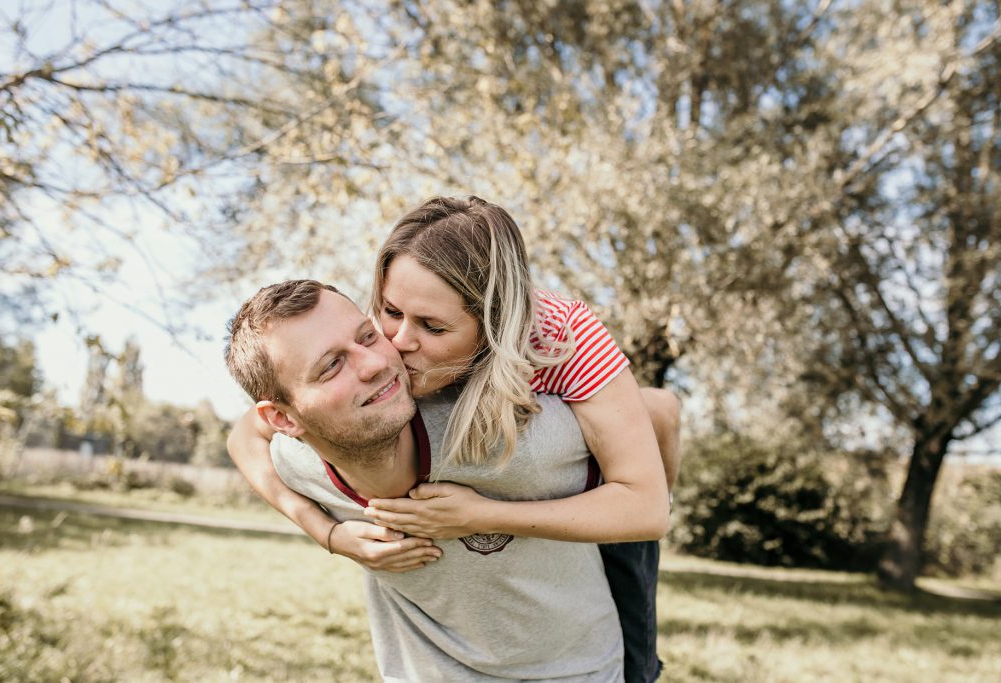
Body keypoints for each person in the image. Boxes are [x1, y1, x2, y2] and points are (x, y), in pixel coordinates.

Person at [227, 196, 681, 681]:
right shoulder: (377, 359)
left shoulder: (557, 338)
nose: (397, 344)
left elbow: (650, 484)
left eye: (433, 326)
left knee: (631, 583)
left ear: (491, 329)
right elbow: (247, 434)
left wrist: (481, 515)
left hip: (606, 521)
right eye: (389, 312)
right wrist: (330, 534)